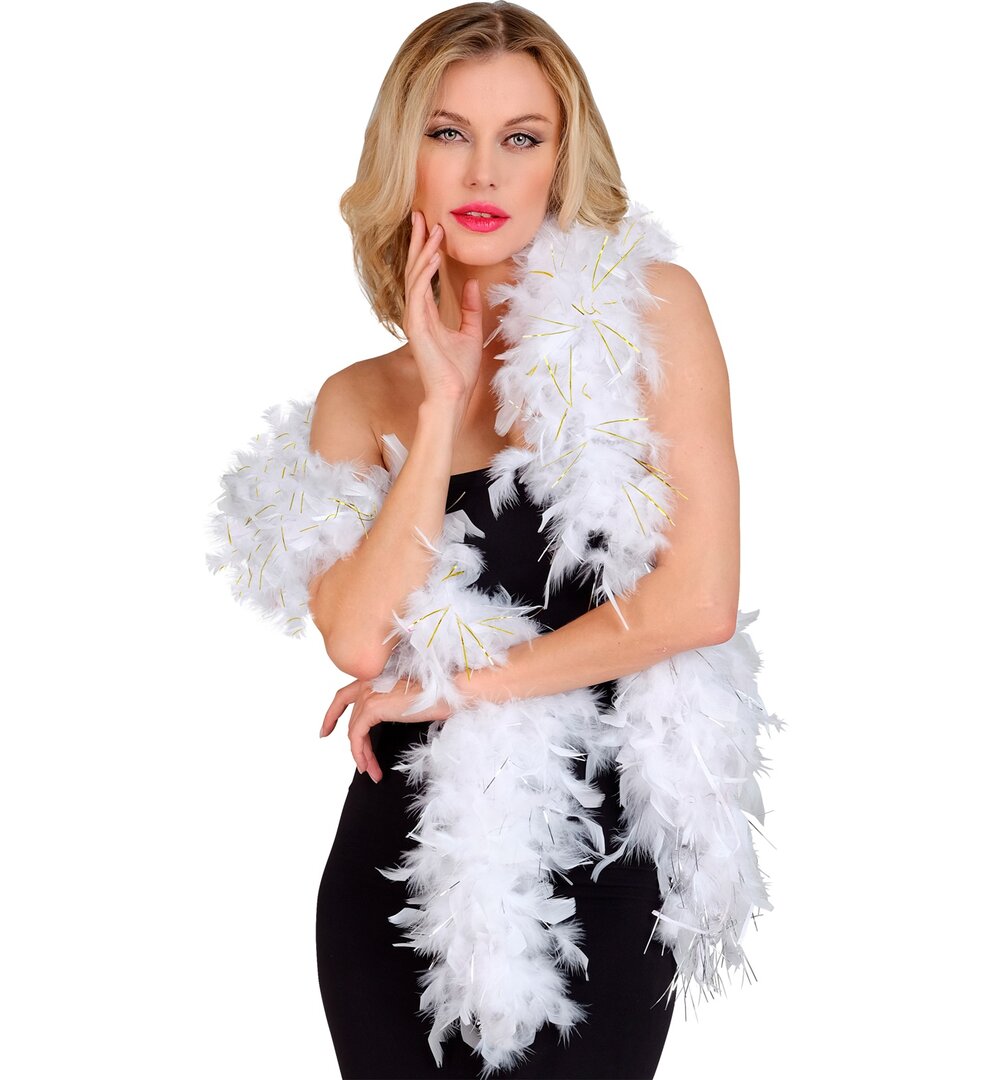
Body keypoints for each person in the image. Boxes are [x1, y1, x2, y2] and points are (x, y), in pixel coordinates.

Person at [207, 3, 779, 1077]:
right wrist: (437, 411)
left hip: (604, 863)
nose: (483, 172)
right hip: (399, 877)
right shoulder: (358, 399)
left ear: (562, 160)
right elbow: (359, 643)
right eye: (447, 133)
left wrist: (463, 689)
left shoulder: (648, 315)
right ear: (404, 156)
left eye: (521, 136)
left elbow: (697, 600)